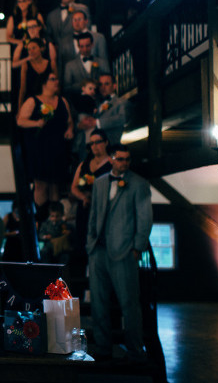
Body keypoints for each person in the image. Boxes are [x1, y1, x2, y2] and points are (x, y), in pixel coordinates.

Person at [87, 144, 152, 360]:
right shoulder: (99, 182)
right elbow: (94, 214)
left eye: (127, 159)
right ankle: (103, 346)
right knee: (98, 302)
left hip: (124, 253)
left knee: (129, 304)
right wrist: (90, 243)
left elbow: (145, 218)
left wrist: (137, 248)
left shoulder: (139, 184)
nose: (124, 163)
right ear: (112, 159)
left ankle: (135, 349)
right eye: (120, 159)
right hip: (98, 251)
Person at [16, 71, 74, 222]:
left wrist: (70, 129)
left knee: (55, 184)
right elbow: (20, 121)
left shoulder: (62, 101)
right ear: (44, 83)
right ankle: (41, 217)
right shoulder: (33, 101)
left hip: (58, 147)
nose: (56, 82)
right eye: (52, 79)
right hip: (40, 147)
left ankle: (54, 218)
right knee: (41, 184)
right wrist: (36, 123)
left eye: (56, 79)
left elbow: (69, 120)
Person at [69, 129, 112, 278]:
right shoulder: (84, 164)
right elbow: (73, 187)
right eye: (91, 143)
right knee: (83, 241)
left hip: (102, 209)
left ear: (106, 142)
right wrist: (83, 197)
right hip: (85, 208)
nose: (95, 146)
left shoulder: (112, 164)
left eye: (98, 142)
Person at [45, 0, 90, 74]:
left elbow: (87, 29)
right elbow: (48, 34)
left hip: (76, 49)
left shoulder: (82, 9)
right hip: (58, 54)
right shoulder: (52, 15)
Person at [90, 73, 132, 145]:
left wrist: (97, 122)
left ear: (114, 86)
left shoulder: (121, 102)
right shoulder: (96, 104)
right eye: (100, 84)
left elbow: (123, 118)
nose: (103, 87)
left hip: (112, 145)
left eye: (106, 84)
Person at [69, 78, 100, 161]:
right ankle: (83, 145)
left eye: (94, 89)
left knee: (86, 132)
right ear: (83, 88)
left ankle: (82, 145)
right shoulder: (84, 98)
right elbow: (83, 107)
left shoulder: (89, 98)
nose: (92, 91)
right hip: (83, 116)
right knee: (86, 131)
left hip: (86, 116)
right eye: (90, 88)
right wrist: (93, 110)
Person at [18, 38, 53, 109]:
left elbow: (55, 86)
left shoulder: (50, 64)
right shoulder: (25, 64)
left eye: (34, 48)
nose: (31, 51)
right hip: (30, 102)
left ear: (41, 48)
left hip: (47, 102)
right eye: (29, 49)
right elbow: (22, 89)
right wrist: (20, 108)